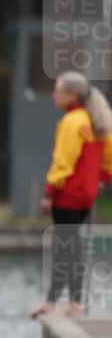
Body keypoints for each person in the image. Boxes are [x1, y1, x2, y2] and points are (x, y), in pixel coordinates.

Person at [32, 71, 112, 319]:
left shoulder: (72, 122)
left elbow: (63, 162)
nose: (54, 95)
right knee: (73, 245)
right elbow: (109, 156)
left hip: (68, 194)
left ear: (72, 95)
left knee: (64, 247)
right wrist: (102, 179)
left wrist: (49, 192)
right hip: (86, 195)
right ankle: (72, 302)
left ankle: (57, 302)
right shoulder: (96, 119)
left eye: (58, 91)